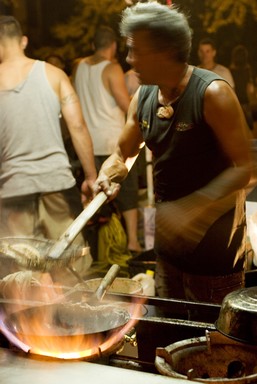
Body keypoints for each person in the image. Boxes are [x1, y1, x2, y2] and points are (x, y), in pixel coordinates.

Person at [93, 2, 255, 304]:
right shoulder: (143, 96)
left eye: (136, 51)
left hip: (216, 256)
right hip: (168, 253)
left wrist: (191, 209)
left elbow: (245, 167)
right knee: (171, 337)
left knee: (214, 345)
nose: (130, 60)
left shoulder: (212, 93)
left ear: (165, 51)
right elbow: (124, 152)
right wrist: (108, 173)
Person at [0, 16, 97, 281]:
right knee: (70, 266)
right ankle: (72, 320)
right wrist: (91, 178)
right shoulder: (54, 74)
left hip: (12, 191)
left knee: (19, 277)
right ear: (23, 41)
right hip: (57, 186)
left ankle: (27, 322)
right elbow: (78, 128)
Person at [74, 26, 142, 255]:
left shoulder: (79, 67)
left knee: (94, 194)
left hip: (88, 143)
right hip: (113, 142)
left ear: (94, 45)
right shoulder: (112, 68)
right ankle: (132, 242)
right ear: (113, 46)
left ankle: (92, 247)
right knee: (128, 193)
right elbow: (126, 104)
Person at [230, 45, 255, 131]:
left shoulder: (230, 71)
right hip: (245, 101)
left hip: (234, 100)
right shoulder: (247, 70)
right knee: (249, 126)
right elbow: (250, 88)